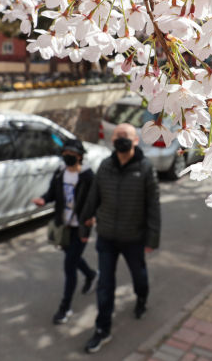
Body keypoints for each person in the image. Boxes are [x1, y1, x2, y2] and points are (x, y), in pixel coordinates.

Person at [79, 123, 161, 354]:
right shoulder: (105, 166)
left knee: (139, 277)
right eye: (117, 136)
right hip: (106, 237)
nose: (120, 139)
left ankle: (141, 299)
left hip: (134, 238)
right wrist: (84, 229)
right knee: (105, 285)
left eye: (126, 136)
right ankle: (102, 330)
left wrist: (151, 239)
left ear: (136, 141)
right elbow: (93, 198)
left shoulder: (145, 169)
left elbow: (153, 206)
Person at [33, 138, 98, 325]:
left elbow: (96, 200)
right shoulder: (60, 172)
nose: (67, 157)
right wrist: (43, 200)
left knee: (69, 266)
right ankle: (92, 275)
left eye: (72, 154)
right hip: (63, 226)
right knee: (72, 257)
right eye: (65, 154)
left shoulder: (87, 176)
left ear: (80, 156)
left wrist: (93, 218)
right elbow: (52, 193)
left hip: (80, 228)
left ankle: (65, 308)